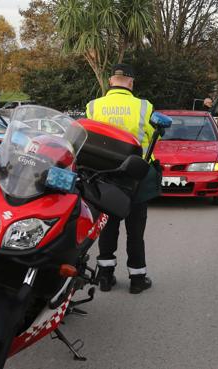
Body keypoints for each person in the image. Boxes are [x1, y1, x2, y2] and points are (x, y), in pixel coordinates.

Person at [86, 63, 155, 294]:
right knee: (136, 231)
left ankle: (105, 277)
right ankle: (137, 279)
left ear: (110, 81)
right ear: (131, 83)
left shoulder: (94, 106)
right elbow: (154, 138)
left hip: (105, 177)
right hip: (135, 177)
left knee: (108, 227)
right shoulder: (144, 107)